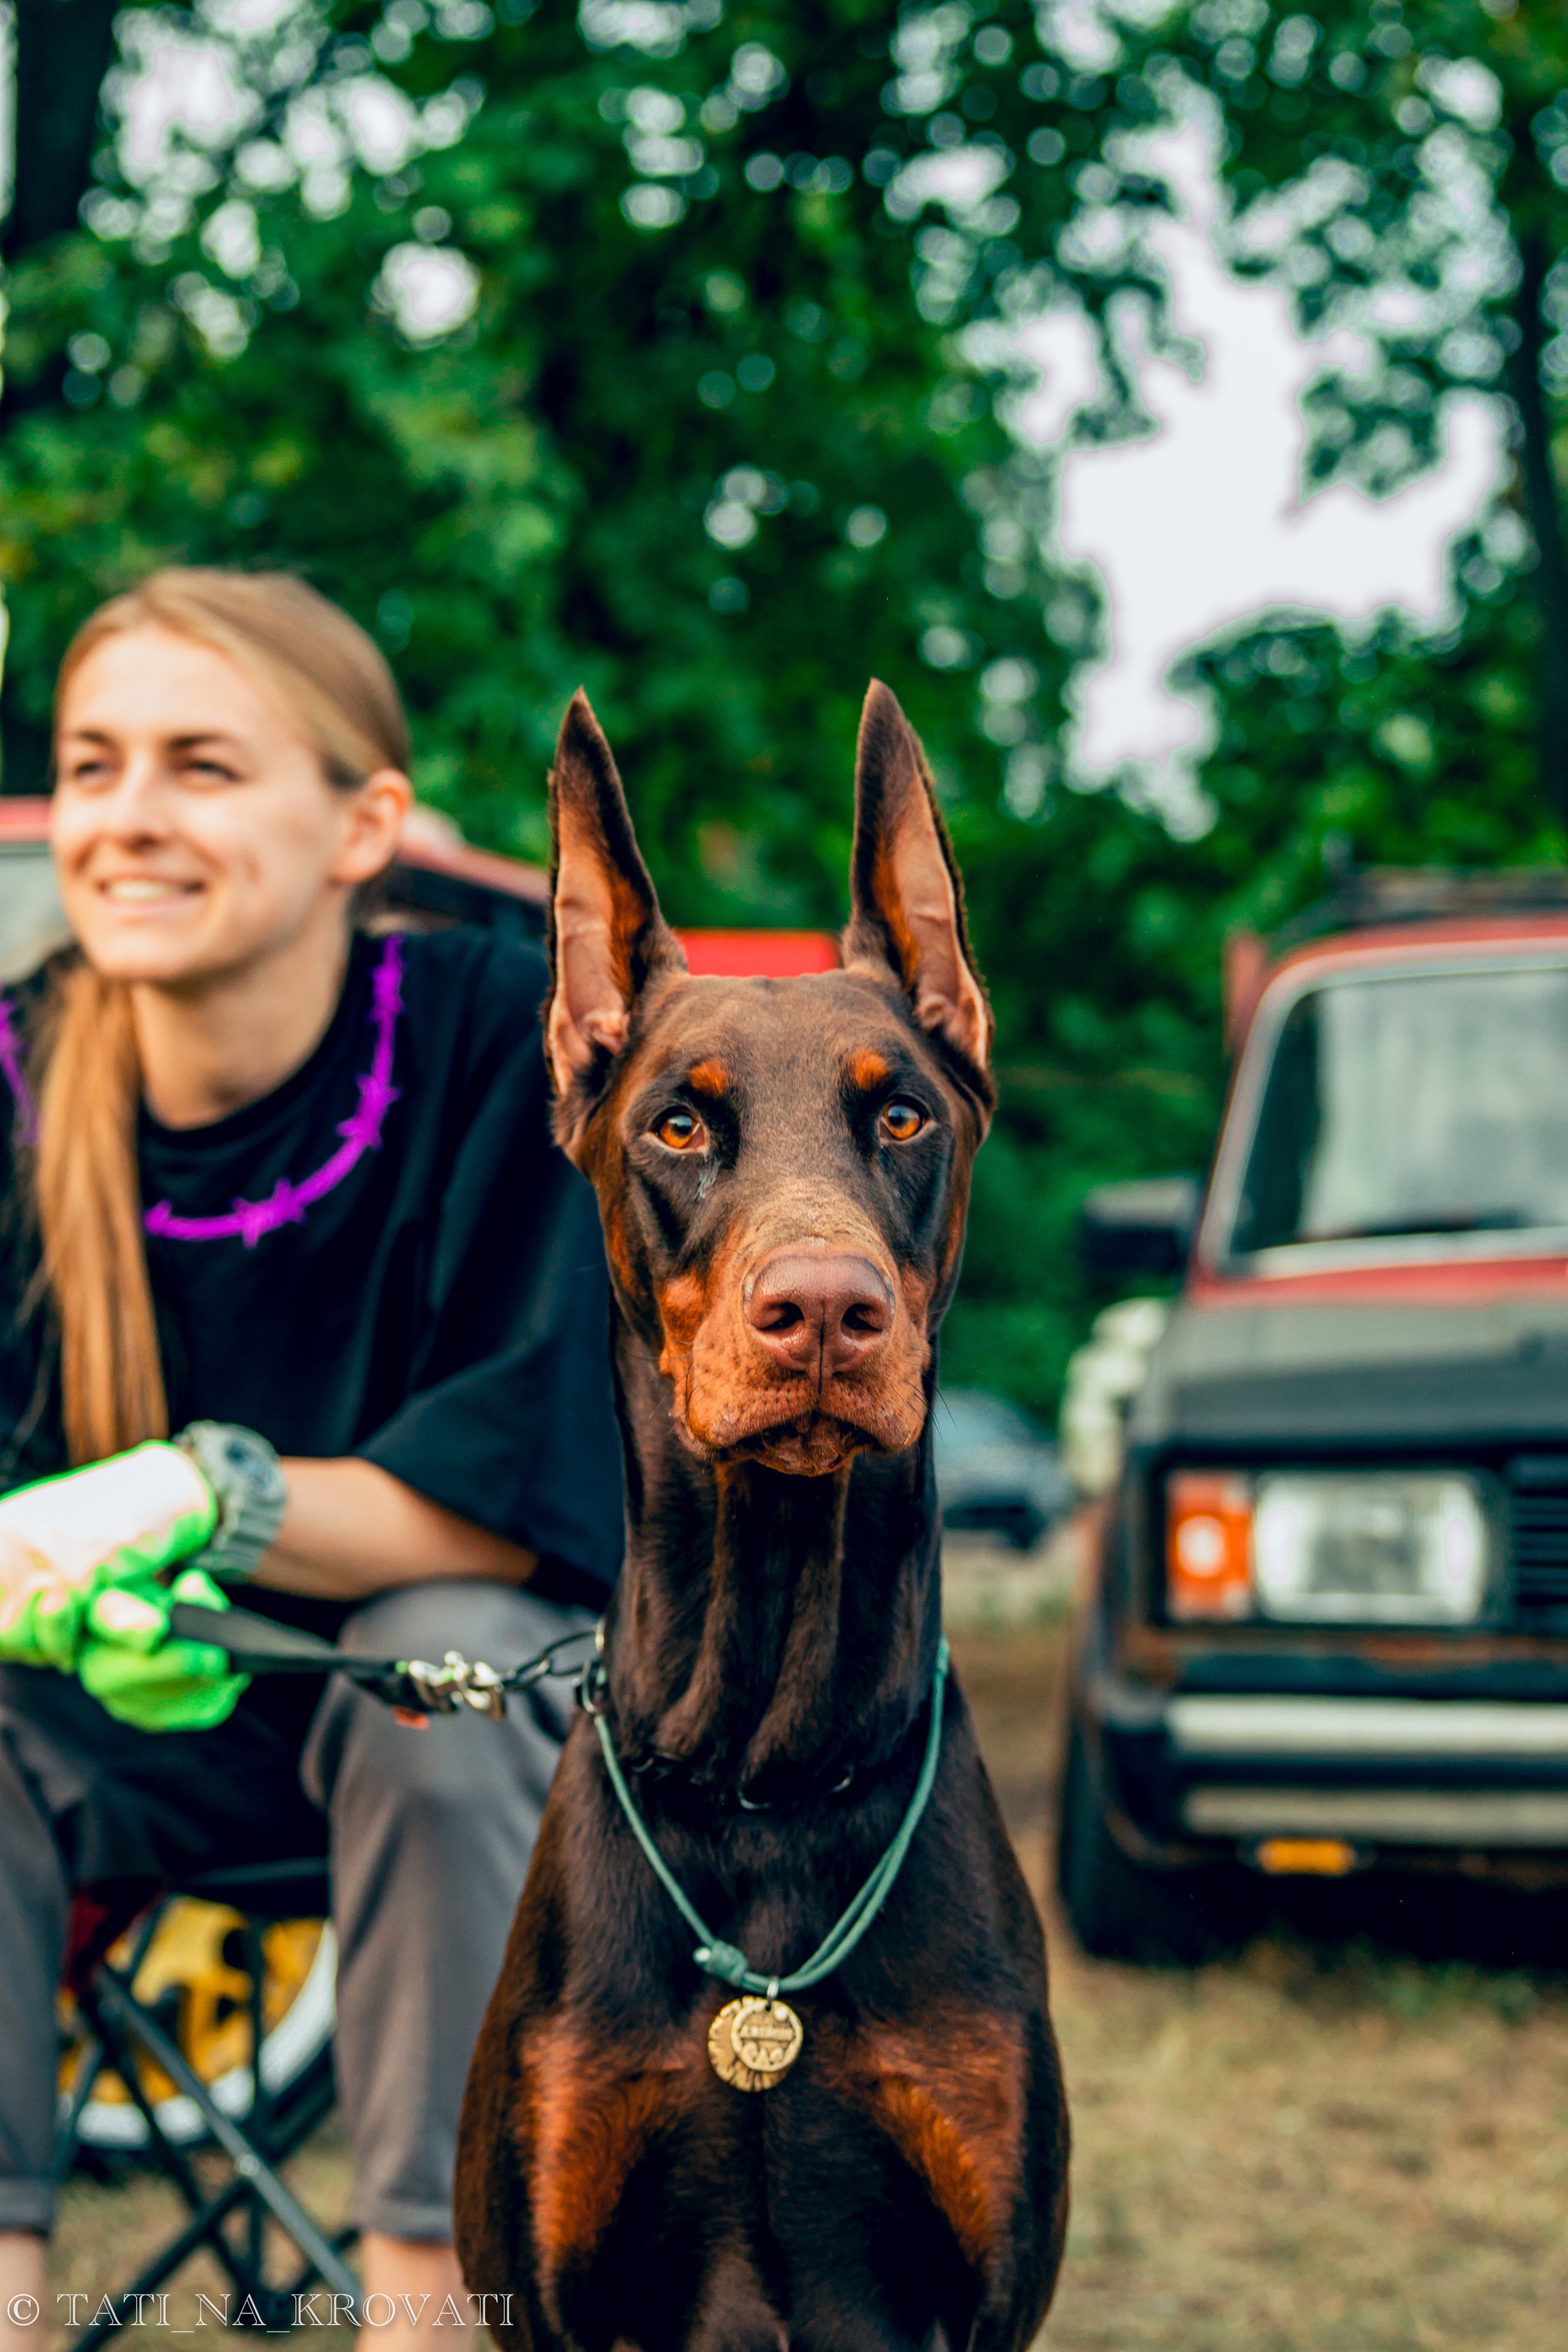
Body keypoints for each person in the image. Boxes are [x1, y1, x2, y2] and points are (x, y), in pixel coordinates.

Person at [0, 571, 624, 2351]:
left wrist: (207, 1495)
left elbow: (515, 1506)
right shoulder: (11, 1081)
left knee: (451, 1664)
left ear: (366, 824)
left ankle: (428, 2297)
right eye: (93, 763)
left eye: (202, 765)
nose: (129, 817)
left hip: (454, 1734)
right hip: (126, 1744)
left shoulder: (509, 1048)